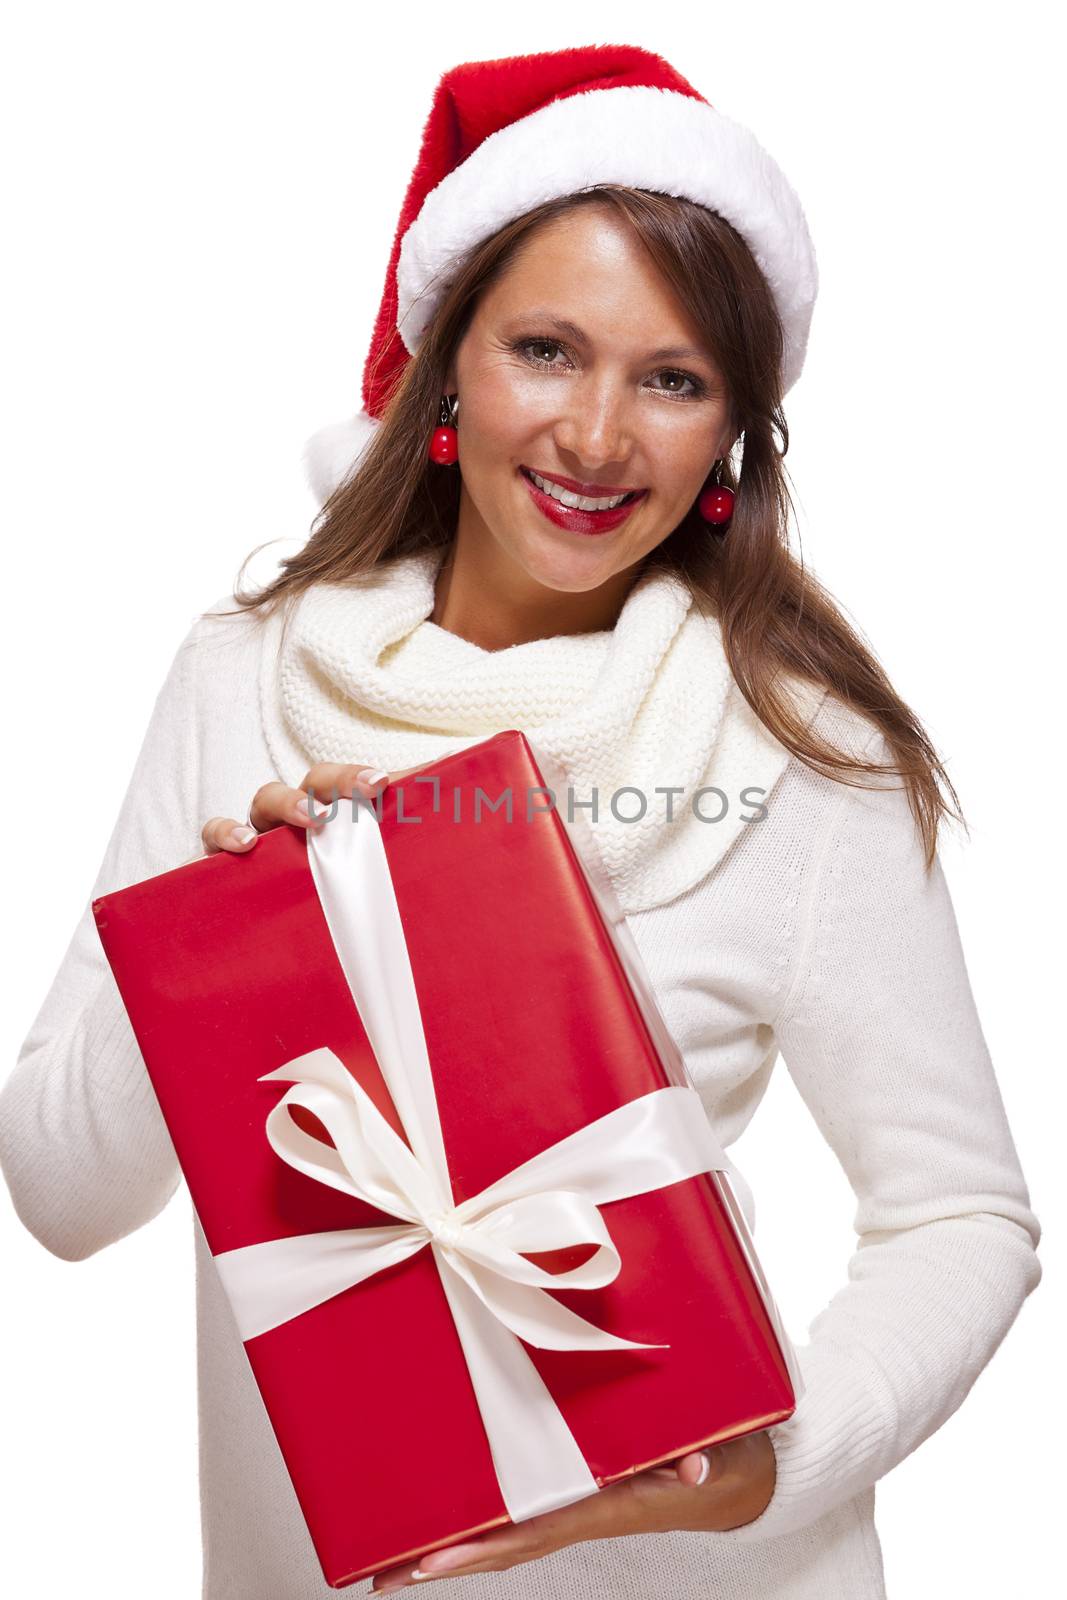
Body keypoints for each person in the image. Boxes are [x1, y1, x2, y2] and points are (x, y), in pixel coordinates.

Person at [0, 43, 1042, 1600]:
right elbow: (63, 1197)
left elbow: (963, 1217)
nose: (598, 436)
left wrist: (778, 1457)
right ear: (446, 375)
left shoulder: (797, 754)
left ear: (729, 440)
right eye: (546, 350)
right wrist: (228, 951)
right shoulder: (246, 680)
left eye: (674, 378)